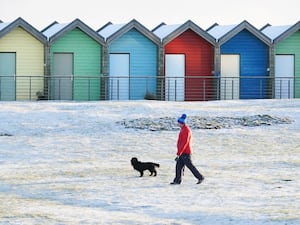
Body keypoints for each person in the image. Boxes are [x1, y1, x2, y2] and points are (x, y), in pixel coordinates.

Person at [170, 114, 204, 185]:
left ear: (181, 123)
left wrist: (179, 153)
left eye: (178, 122)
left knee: (190, 166)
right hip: (182, 152)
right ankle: (177, 181)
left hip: (185, 152)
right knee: (178, 167)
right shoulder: (183, 129)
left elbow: (185, 142)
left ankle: (200, 177)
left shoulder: (186, 130)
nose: (177, 123)